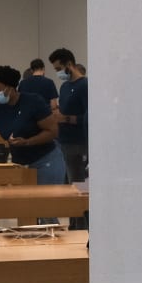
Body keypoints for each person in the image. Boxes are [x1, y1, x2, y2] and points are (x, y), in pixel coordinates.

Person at [49, 49, 90, 230]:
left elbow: (88, 117)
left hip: (79, 143)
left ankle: (81, 228)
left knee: (79, 189)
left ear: (69, 64)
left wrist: (65, 118)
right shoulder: (65, 87)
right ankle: (74, 225)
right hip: (64, 143)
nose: (58, 72)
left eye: (59, 68)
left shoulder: (85, 86)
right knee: (70, 189)